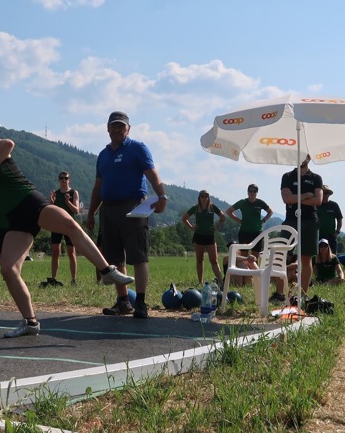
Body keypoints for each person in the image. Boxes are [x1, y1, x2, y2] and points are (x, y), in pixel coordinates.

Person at [0, 94, 131, 337]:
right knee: (8, 270)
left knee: (70, 224)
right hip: (15, 219)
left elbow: (9, 143)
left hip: (31, 203)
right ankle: (30, 322)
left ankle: (106, 272)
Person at [86, 111, 167, 320]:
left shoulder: (137, 148)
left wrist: (162, 196)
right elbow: (98, 187)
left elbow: (152, 173)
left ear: (128, 129)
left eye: (121, 126)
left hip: (133, 208)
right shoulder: (103, 155)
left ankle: (140, 302)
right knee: (114, 259)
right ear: (107, 128)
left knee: (138, 256)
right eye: (114, 126)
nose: (117, 129)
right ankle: (123, 302)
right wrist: (91, 213)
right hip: (108, 209)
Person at [280, 154, 323, 296]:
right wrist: (306, 195)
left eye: (305, 155)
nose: (301, 158)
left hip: (310, 220)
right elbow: (286, 199)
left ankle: (303, 295)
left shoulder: (316, 178)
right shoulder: (287, 176)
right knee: (282, 256)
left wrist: (296, 198)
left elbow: (318, 200)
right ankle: (279, 293)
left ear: (309, 158)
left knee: (306, 259)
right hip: (291, 220)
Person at [181, 190, 224, 285]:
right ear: (199, 198)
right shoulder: (195, 208)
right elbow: (184, 218)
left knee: (214, 260)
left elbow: (223, 217)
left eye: (206, 196)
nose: (204, 198)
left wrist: (218, 226)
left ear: (208, 197)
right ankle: (200, 282)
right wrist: (191, 227)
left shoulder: (213, 207)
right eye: (202, 196)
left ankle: (221, 281)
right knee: (199, 259)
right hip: (198, 236)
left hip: (210, 236)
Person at [48, 171, 80, 286]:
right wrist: (51, 202)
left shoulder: (73, 192)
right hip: (57, 224)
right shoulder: (55, 194)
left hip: (69, 224)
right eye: (61, 178)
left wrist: (67, 202)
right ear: (58, 180)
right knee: (55, 251)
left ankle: (74, 280)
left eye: (65, 178)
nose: (63, 180)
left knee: (71, 252)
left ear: (69, 180)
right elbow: (51, 211)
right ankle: (53, 278)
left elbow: (76, 210)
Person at [225, 184, 272, 259]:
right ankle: (244, 270)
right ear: (248, 192)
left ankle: (255, 270)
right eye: (251, 191)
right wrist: (238, 220)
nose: (252, 193)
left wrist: (263, 220)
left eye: (255, 191)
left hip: (257, 233)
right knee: (243, 257)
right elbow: (229, 211)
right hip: (244, 232)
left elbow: (270, 212)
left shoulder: (260, 202)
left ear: (257, 192)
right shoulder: (242, 202)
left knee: (254, 258)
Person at [317, 185, 343, 254]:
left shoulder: (334, 205)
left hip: (331, 235)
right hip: (318, 235)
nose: (324, 195)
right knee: (318, 256)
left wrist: (337, 232)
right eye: (323, 193)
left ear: (329, 194)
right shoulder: (316, 205)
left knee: (333, 255)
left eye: (326, 193)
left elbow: (339, 219)